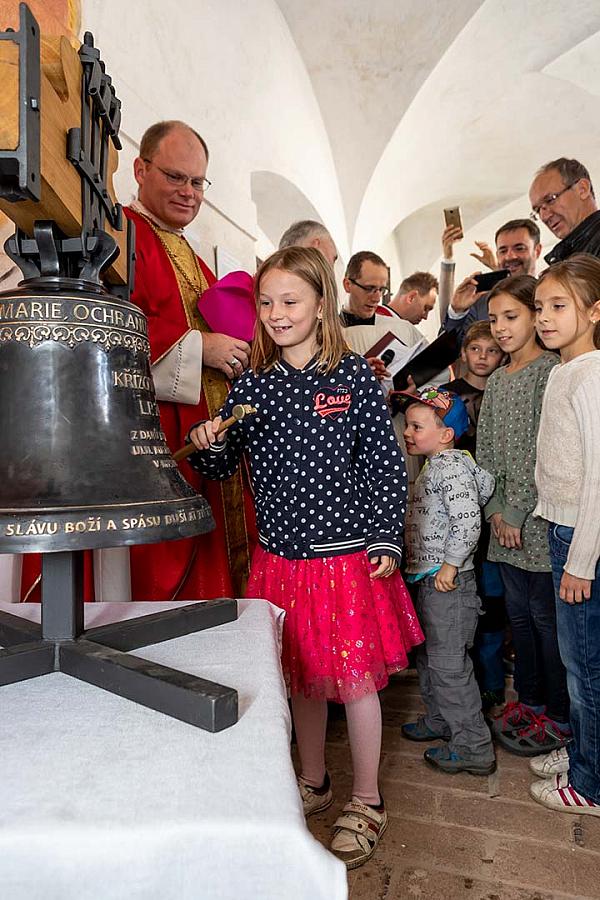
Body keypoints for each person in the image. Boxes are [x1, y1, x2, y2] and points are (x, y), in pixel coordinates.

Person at [187, 246, 423, 869]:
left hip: (345, 560)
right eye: (265, 302)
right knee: (302, 679)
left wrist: (384, 539)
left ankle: (367, 799)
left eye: (290, 301)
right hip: (281, 561)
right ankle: (314, 782)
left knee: (354, 681)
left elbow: (384, 466)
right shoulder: (252, 385)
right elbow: (221, 466)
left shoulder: (354, 380)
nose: (275, 313)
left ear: (322, 304)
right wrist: (209, 441)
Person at [124, 120, 254, 600]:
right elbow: (112, 330)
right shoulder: (121, 233)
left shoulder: (191, 254)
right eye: (175, 177)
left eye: (197, 182)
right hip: (157, 434)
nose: (188, 192)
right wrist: (204, 347)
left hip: (208, 437)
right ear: (141, 169)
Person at [476, 275, 570, 755]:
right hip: (501, 527)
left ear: (535, 316)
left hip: (538, 524)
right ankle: (529, 701)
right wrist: (493, 508)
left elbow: (549, 452)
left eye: (511, 316)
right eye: (493, 320)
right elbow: (487, 449)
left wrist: (514, 512)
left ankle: (558, 711)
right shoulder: (496, 380)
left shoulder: (551, 372)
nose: (501, 328)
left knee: (545, 620)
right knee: (517, 617)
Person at [528, 253, 600, 816]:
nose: (544, 318)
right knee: (573, 655)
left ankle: (590, 784)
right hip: (563, 530)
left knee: (585, 666)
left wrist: (581, 558)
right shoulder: (562, 370)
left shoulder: (593, 374)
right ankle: (583, 751)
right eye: (540, 307)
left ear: (595, 311)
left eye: (559, 306)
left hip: (583, 538)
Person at [400, 388, 496, 775]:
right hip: (430, 578)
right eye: (407, 424)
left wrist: (451, 565)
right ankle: (441, 720)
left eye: (417, 426)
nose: (407, 431)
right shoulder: (435, 464)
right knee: (430, 657)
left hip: (448, 585)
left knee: (449, 665)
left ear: (445, 434)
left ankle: (473, 745)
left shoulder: (451, 467)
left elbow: (468, 520)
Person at [440, 323, 507, 711]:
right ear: (463, 353)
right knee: (460, 600)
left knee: (493, 601)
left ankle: (492, 681)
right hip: (452, 514)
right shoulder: (443, 397)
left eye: (492, 350)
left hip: (492, 509)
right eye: (475, 349)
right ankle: (461, 684)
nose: (483, 357)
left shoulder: (503, 392)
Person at [442, 219, 542, 347]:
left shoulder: (551, 296)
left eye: (519, 248)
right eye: (503, 251)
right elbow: (451, 350)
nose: (510, 256)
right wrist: (457, 312)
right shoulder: (480, 301)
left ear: (537, 250)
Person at [529, 158, 600, 264]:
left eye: (550, 200)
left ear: (582, 189)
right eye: (538, 210)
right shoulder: (568, 256)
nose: (544, 216)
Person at [340, 251, 390, 325]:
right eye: (370, 288)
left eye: (381, 290)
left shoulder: (394, 329)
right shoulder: (324, 330)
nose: (377, 299)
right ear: (347, 285)